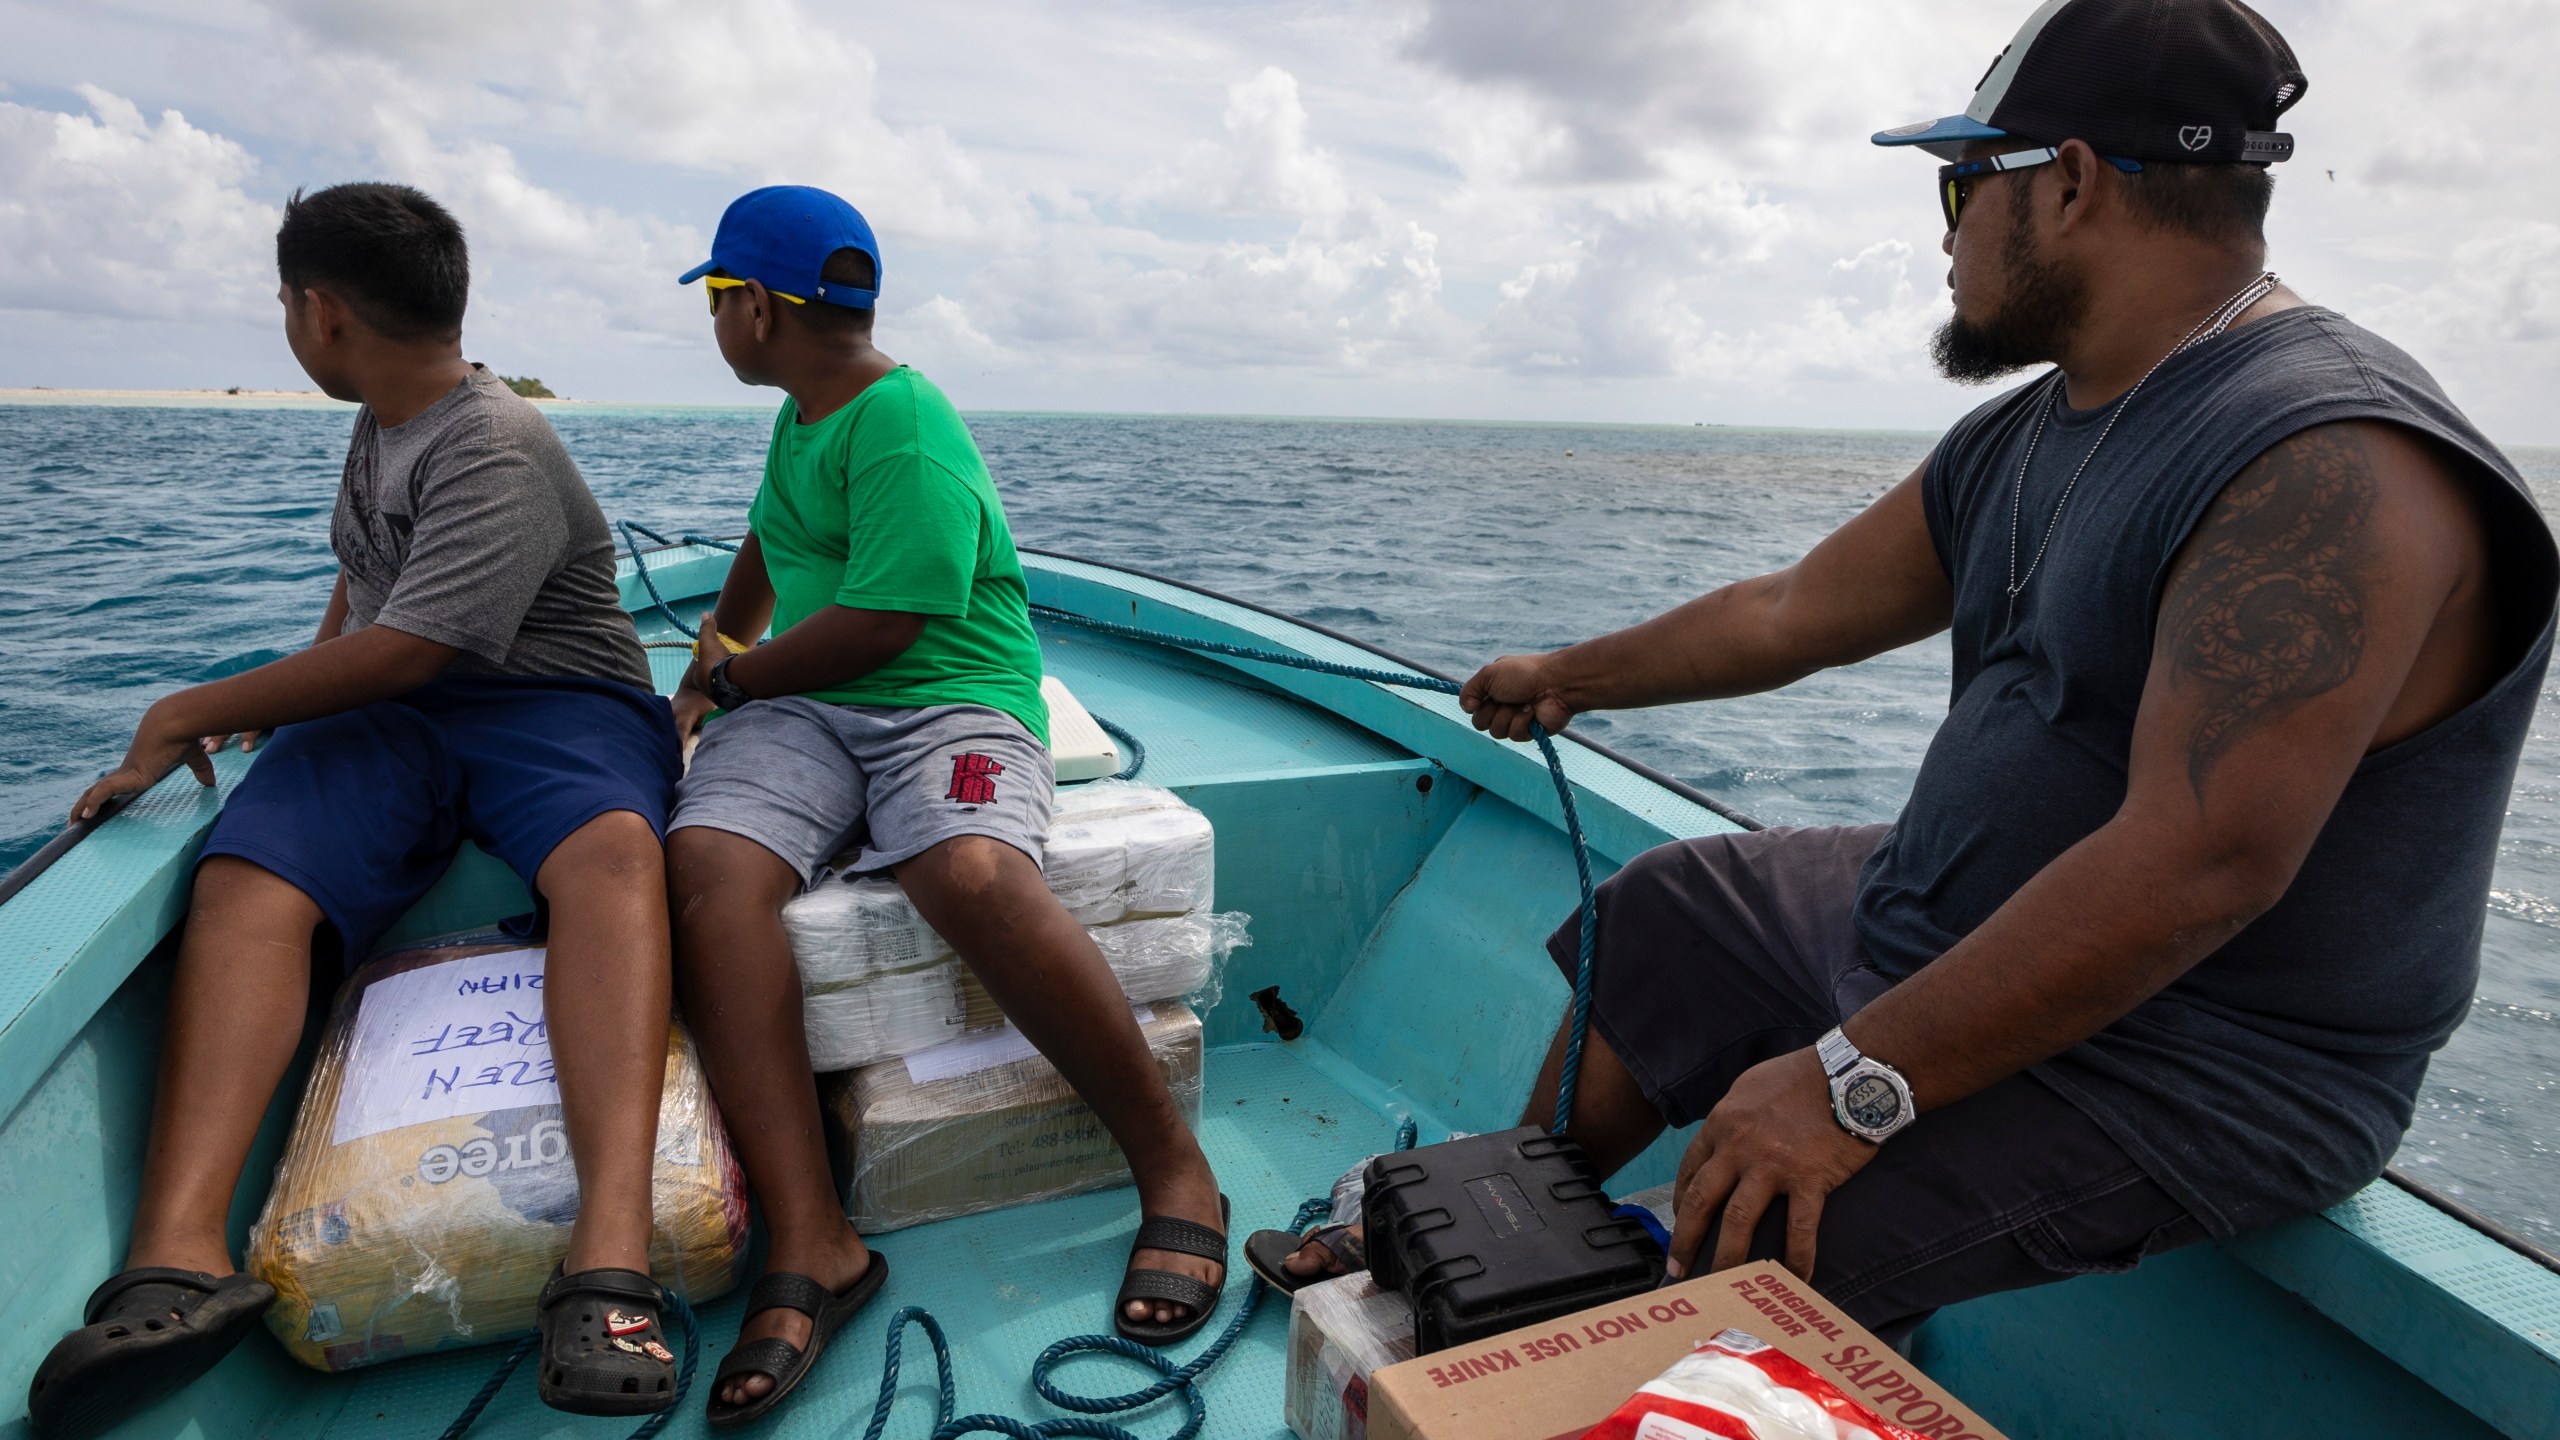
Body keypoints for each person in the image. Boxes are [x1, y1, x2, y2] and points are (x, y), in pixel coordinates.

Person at [1249, 0, 2557, 1346]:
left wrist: (1851, 1082)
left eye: (1959, 182)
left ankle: (1616, 1341)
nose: (1943, 232)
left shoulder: (2326, 465)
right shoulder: (2029, 432)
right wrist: (1569, 674)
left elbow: (2201, 867)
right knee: (1667, 914)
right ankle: (1513, 1227)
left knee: (1757, 1227)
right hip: (1932, 912)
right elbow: (1794, 608)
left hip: (2199, 1059)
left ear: (2068, 181)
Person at [22, 185, 688, 1438]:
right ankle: (173, 1260)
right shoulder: (385, 417)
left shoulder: (493, 440)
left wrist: (180, 708)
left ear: (318, 312)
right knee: (248, 872)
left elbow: (411, 647)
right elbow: (369, 590)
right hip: (403, 706)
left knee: (610, 856)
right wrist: (269, 710)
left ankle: (607, 1260)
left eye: (284, 302)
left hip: (555, 699)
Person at [660, 186, 1229, 1427]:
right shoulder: (804, 413)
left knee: (968, 875)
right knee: (705, 867)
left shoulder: (903, 421)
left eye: (715, 298)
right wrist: (705, 678)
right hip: (809, 708)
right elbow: (768, 549)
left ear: (753, 308)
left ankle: (1175, 1168)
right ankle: (816, 1244)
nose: (715, 321)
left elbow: (889, 621)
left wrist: (735, 678)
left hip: (944, 701)